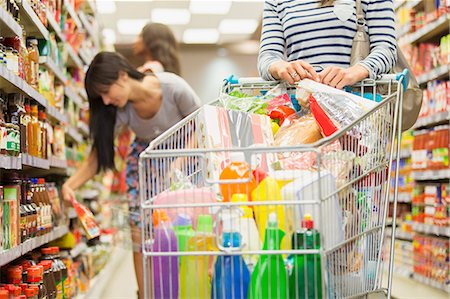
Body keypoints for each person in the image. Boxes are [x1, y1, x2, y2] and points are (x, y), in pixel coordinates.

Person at [61, 52, 200, 299]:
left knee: (186, 232)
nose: (105, 101)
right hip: (145, 167)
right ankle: (145, 295)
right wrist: (70, 185)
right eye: (100, 97)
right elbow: (97, 157)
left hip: (186, 161)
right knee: (140, 236)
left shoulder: (173, 87)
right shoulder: (121, 109)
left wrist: (178, 162)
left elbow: (201, 123)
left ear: (123, 76)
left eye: (106, 91)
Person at [258, 0, 397, 89]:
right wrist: (281, 67)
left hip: (356, 109)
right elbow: (267, 57)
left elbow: (387, 49)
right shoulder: (275, 1)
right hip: (300, 109)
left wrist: (356, 71)